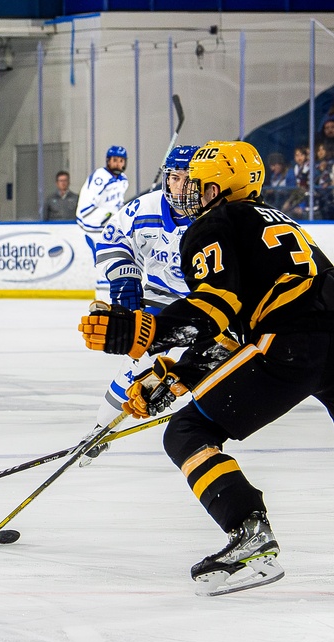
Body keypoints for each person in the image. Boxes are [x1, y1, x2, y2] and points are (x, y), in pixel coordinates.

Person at [79, 140, 334, 596]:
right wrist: (178, 374)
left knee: (187, 433)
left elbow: (215, 308)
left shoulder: (214, 225)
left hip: (293, 343)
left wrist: (147, 331)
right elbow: (234, 329)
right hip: (318, 334)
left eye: (200, 183)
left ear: (224, 186)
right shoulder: (279, 220)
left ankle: (250, 539)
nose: (191, 192)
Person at [78, 145, 200, 463]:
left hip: (207, 305)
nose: (180, 186)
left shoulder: (215, 215)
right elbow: (112, 237)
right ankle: (99, 431)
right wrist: (125, 277)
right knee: (137, 364)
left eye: (190, 179)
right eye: (175, 177)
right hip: (159, 300)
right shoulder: (143, 208)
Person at [76, 146, 129, 295]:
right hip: (92, 224)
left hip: (107, 224)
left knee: (115, 259)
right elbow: (86, 210)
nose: (118, 164)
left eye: (121, 161)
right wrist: (110, 215)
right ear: (108, 161)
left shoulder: (123, 180)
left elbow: (117, 204)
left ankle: (110, 294)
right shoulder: (101, 177)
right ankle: (103, 298)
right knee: (104, 262)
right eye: (115, 160)